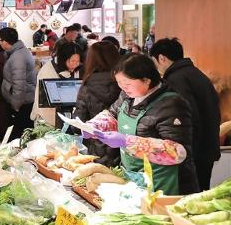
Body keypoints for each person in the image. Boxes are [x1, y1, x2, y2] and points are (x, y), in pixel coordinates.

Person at [85, 54, 199, 195]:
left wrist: (127, 142)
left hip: (165, 185)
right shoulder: (127, 96)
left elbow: (177, 152)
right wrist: (94, 126)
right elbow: (112, 115)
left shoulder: (172, 104)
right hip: (135, 179)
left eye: (127, 84)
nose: (123, 87)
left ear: (147, 80)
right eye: (119, 83)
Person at [151, 38, 220, 191]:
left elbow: (188, 118)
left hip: (196, 152)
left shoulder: (176, 79)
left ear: (161, 58)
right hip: (206, 148)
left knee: (193, 196)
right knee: (201, 192)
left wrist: (187, 155)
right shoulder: (194, 73)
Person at [74, 42, 121, 166]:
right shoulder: (125, 84)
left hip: (98, 151)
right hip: (125, 149)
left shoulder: (87, 86)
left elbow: (78, 125)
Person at [0, 27, 36, 140]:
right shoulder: (18, 52)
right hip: (24, 100)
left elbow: (19, 85)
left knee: (20, 135)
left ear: (5, 42)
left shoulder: (18, 57)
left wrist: (16, 106)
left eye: (0, 40)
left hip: (22, 103)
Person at [32, 41, 82, 124]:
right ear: (63, 59)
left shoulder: (75, 69)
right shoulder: (47, 71)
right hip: (48, 116)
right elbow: (44, 102)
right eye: (72, 61)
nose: (75, 65)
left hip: (66, 114)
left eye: (78, 62)